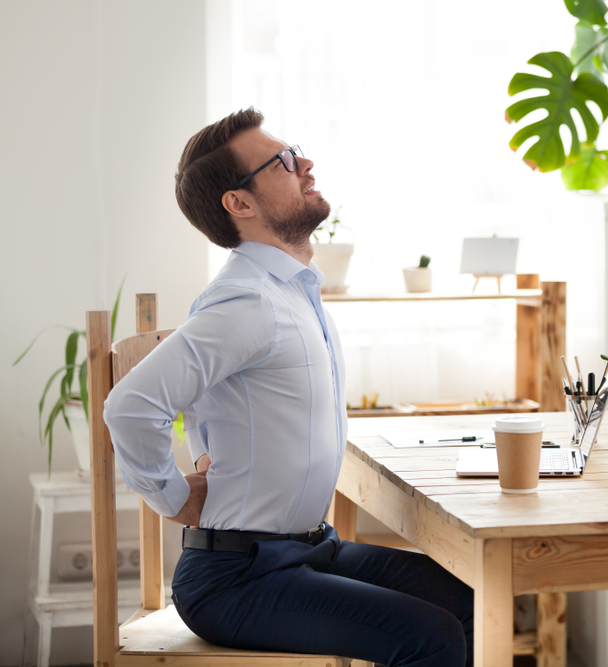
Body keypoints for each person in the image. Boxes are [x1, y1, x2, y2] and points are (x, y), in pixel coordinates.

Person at [103, 108, 473, 667]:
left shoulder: (288, 290)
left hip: (306, 549)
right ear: (241, 203)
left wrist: (207, 454)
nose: (305, 164)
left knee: (468, 599)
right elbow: (131, 406)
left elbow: (215, 402)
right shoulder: (249, 302)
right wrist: (174, 500)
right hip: (235, 579)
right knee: (432, 636)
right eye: (282, 162)